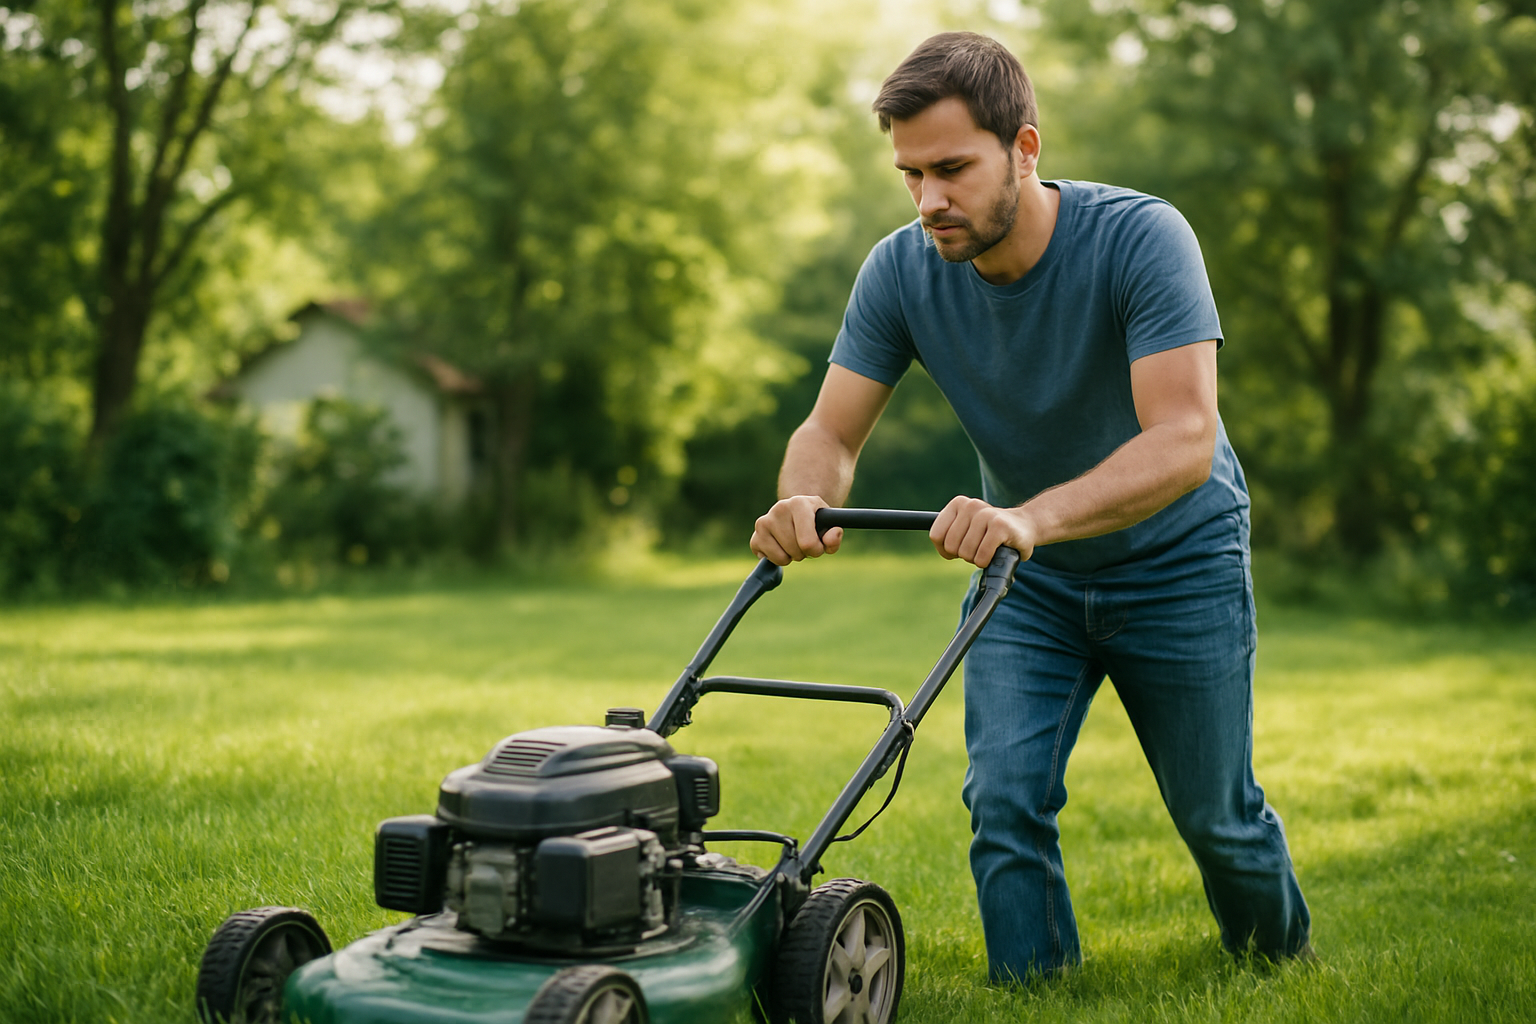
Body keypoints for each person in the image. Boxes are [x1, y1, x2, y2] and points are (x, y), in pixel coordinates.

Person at [749, 31, 1311, 981]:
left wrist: (1032, 519)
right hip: (1033, 581)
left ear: (1025, 148)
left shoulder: (1141, 238)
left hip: (1178, 563)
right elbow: (832, 431)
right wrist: (801, 498)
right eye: (911, 174)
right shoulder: (900, 270)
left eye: (953, 169)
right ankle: (1035, 989)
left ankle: (1280, 962)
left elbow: (1184, 439)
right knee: (1003, 796)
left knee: (1216, 813)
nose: (930, 200)